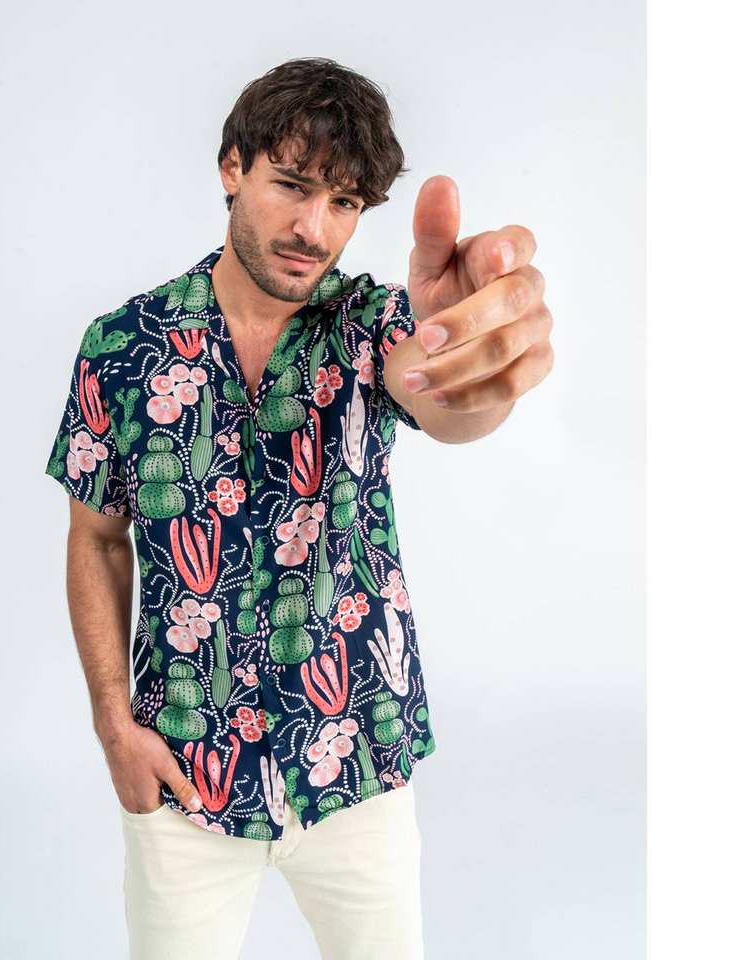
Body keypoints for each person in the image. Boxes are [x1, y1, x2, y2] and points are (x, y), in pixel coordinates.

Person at [44, 57, 553, 960]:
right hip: (184, 766)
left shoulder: (376, 326)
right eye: (291, 185)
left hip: (357, 758)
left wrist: (476, 370)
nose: (314, 229)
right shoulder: (122, 346)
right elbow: (97, 538)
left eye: (345, 203)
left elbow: (444, 399)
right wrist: (113, 725)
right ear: (232, 167)